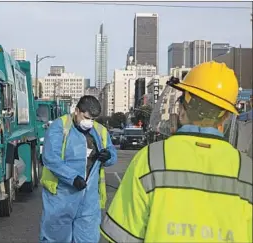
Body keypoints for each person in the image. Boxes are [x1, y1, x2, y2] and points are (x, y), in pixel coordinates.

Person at [101, 61, 252, 243]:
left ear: (181, 109)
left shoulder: (151, 159)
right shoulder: (246, 169)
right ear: (226, 116)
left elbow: (121, 236)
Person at [39, 95, 118, 243]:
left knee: (88, 238)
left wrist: (108, 156)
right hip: (62, 197)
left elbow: (113, 155)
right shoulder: (60, 127)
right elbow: (50, 158)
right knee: (56, 238)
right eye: (87, 117)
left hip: (89, 199)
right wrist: (72, 178)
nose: (90, 122)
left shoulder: (99, 131)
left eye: (93, 119)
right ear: (76, 111)